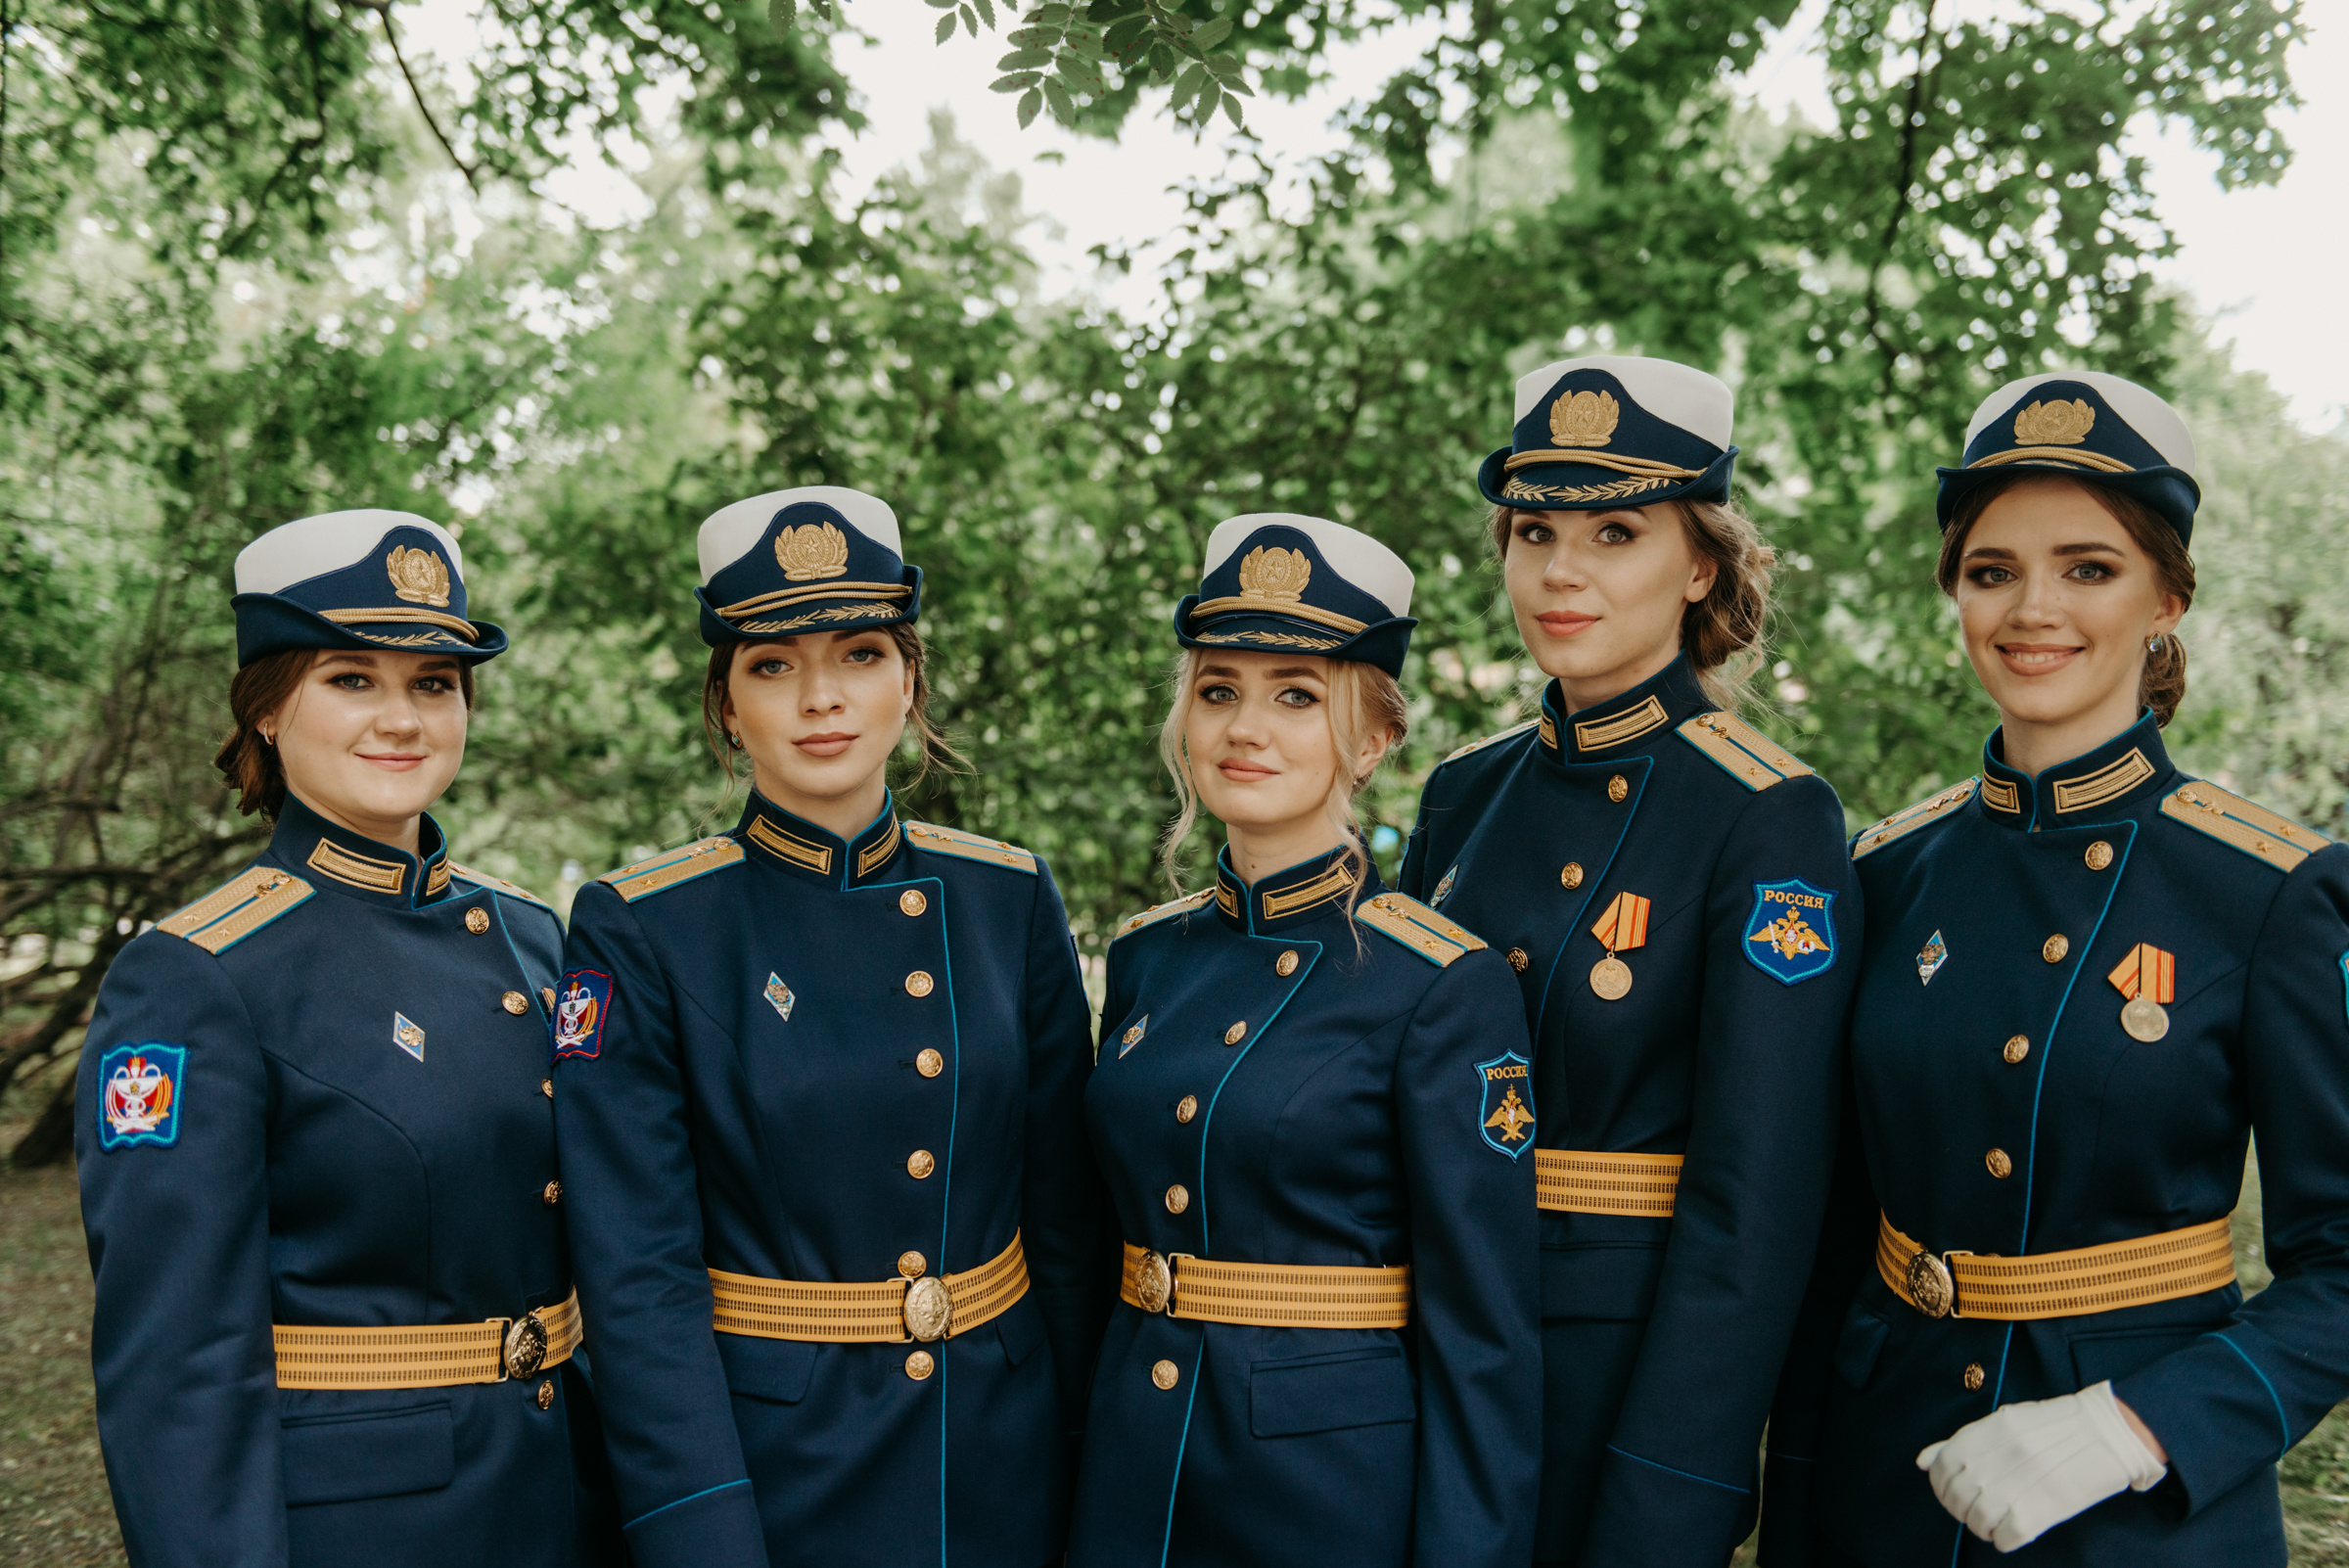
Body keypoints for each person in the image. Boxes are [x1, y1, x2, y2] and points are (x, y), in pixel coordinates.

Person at [1761, 372, 2349, 1565]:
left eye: (2089, 568)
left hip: (2134, 1510)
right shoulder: (1883, 872)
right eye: (1993, 571)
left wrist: (2144, 1427)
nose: (2033, 608)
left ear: (2167, 597)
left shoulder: (2270, 889)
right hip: (1887, 1492)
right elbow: (1831, 1251)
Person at [553, 486, 1106, 1568]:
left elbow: (1070, 1227)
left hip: (1001, 1464)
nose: (821, 699)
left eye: (858, 655)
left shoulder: (1007, 898)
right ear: (725, 705)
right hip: (774, 1479)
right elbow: (639, 1280)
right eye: (771, 665)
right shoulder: (646, 924)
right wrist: (699, 1529)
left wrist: (1093, 1465)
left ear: (910, 682)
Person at [75, 510, 617, 1567]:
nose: (402, 718)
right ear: (268, 710)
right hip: (369, 1525)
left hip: (567, 1501)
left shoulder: (531, 937)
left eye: (433, 683)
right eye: (351, 679)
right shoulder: (196, 976)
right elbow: (178, 1365)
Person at [1399, 355, 1863, 1565]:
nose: (1561, 571)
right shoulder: (1463, 794)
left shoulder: (1769, 815)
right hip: (1430, 1343)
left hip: (1617, 1378)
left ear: (1699, 564)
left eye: (1615, 531)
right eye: (1534, 530)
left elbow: (1755, 1204)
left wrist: (1672, 1486)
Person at [1068, 513, 1541, 1568]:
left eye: (1296, 695)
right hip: (1137, 1470)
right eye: (1219, 689)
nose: (1247, 727)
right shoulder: (1149, 956)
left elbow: (1485, 1334)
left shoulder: (1441, 982)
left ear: (1370, 741)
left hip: (1324, 1493)